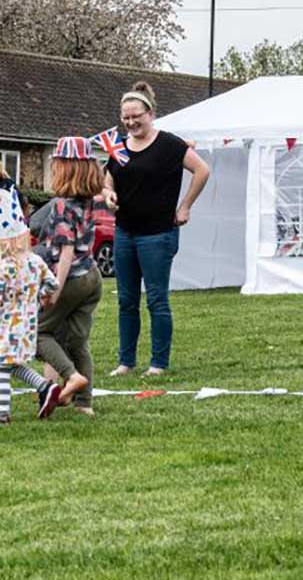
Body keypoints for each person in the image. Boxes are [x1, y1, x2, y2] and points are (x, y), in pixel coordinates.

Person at [103, 81, 212, 377]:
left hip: (158, 234)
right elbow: (109, 179)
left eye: (135, 116)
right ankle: (126, 362)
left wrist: (185, 206)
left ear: (149, 113)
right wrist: (109, 193)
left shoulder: (170, 145)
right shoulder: (120, 146)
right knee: (126, 301)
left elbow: (203, 170)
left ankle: (158, 363)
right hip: (125, 232)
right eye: (125, 118)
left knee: (156, 299)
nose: (130, 122)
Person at [0, 188, 63, 424]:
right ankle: (45, 387)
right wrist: (36, 297)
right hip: (28, 325)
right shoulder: (35, 261)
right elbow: (53, 284)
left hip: (6, 327)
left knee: (2, 368)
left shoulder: (2, 268)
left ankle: (2, 413)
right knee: (13, 365)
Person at [36, 136, 101, 416]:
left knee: (38, 332)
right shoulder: (88, 200)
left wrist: (56, 287)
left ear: (66, 168)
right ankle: (84, 403)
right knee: (78, 341)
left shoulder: (61, 205)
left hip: (71, 278)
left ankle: (71, 376)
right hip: (93, 277)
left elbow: (66, 250)